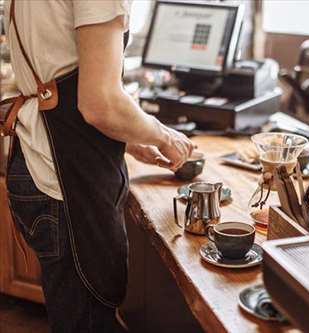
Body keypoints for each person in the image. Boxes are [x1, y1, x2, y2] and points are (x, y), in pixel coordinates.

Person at [3, 0, 194, 332]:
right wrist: (164, 136)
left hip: (35, 162)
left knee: (74, 315)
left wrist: (128, 138)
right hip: (64, 176)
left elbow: (56, 70)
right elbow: (100, 104)